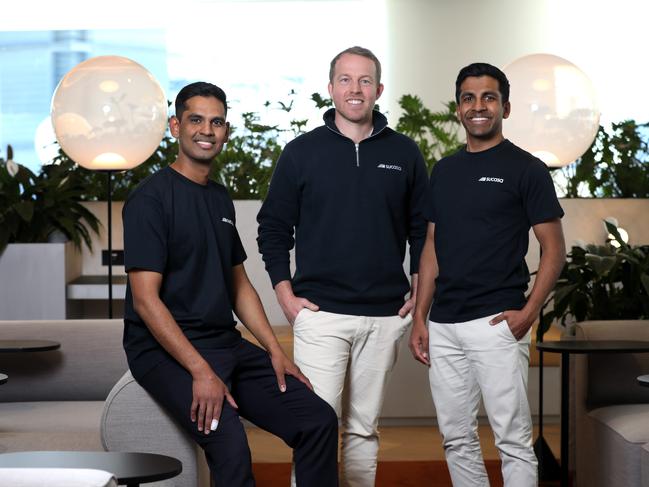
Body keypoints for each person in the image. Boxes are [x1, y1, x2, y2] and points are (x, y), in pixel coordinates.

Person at [122, 82, 338, 487]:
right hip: (163, 352)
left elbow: (239, 285)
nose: (207, 130)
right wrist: (201, 371)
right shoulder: (150, 200)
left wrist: (276, 351)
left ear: (226, 131)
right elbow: (146, 301)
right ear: (175, 126)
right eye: (196, 120)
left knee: (317, 420)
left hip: (222, 342)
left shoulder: (219, 198)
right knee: (232, 448)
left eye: (217, 122)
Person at [257, 46, 428, 486]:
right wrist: (285, 295)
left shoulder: (405, 154)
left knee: (364, 430)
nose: (355, 89)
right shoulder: (300, 153)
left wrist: (416, 290)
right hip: (320, 314)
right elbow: (273, 228)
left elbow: (422, 230)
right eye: (346, 80)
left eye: (365, 80)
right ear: (331, 88)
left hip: (386, 315)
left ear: (379, 90)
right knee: (316, 430)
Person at [409, 62, 566, 487]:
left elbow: (555, 249)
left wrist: (529, 311)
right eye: (468, 98)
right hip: (444, 325)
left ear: (505, 107)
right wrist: (421, 316)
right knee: (456, 439)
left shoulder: (526, 169)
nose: (478, 106)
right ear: (459, 109)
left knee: (512, 441)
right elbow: (431, 247)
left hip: (498, 323)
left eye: (488, 98)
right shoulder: (443, 171)